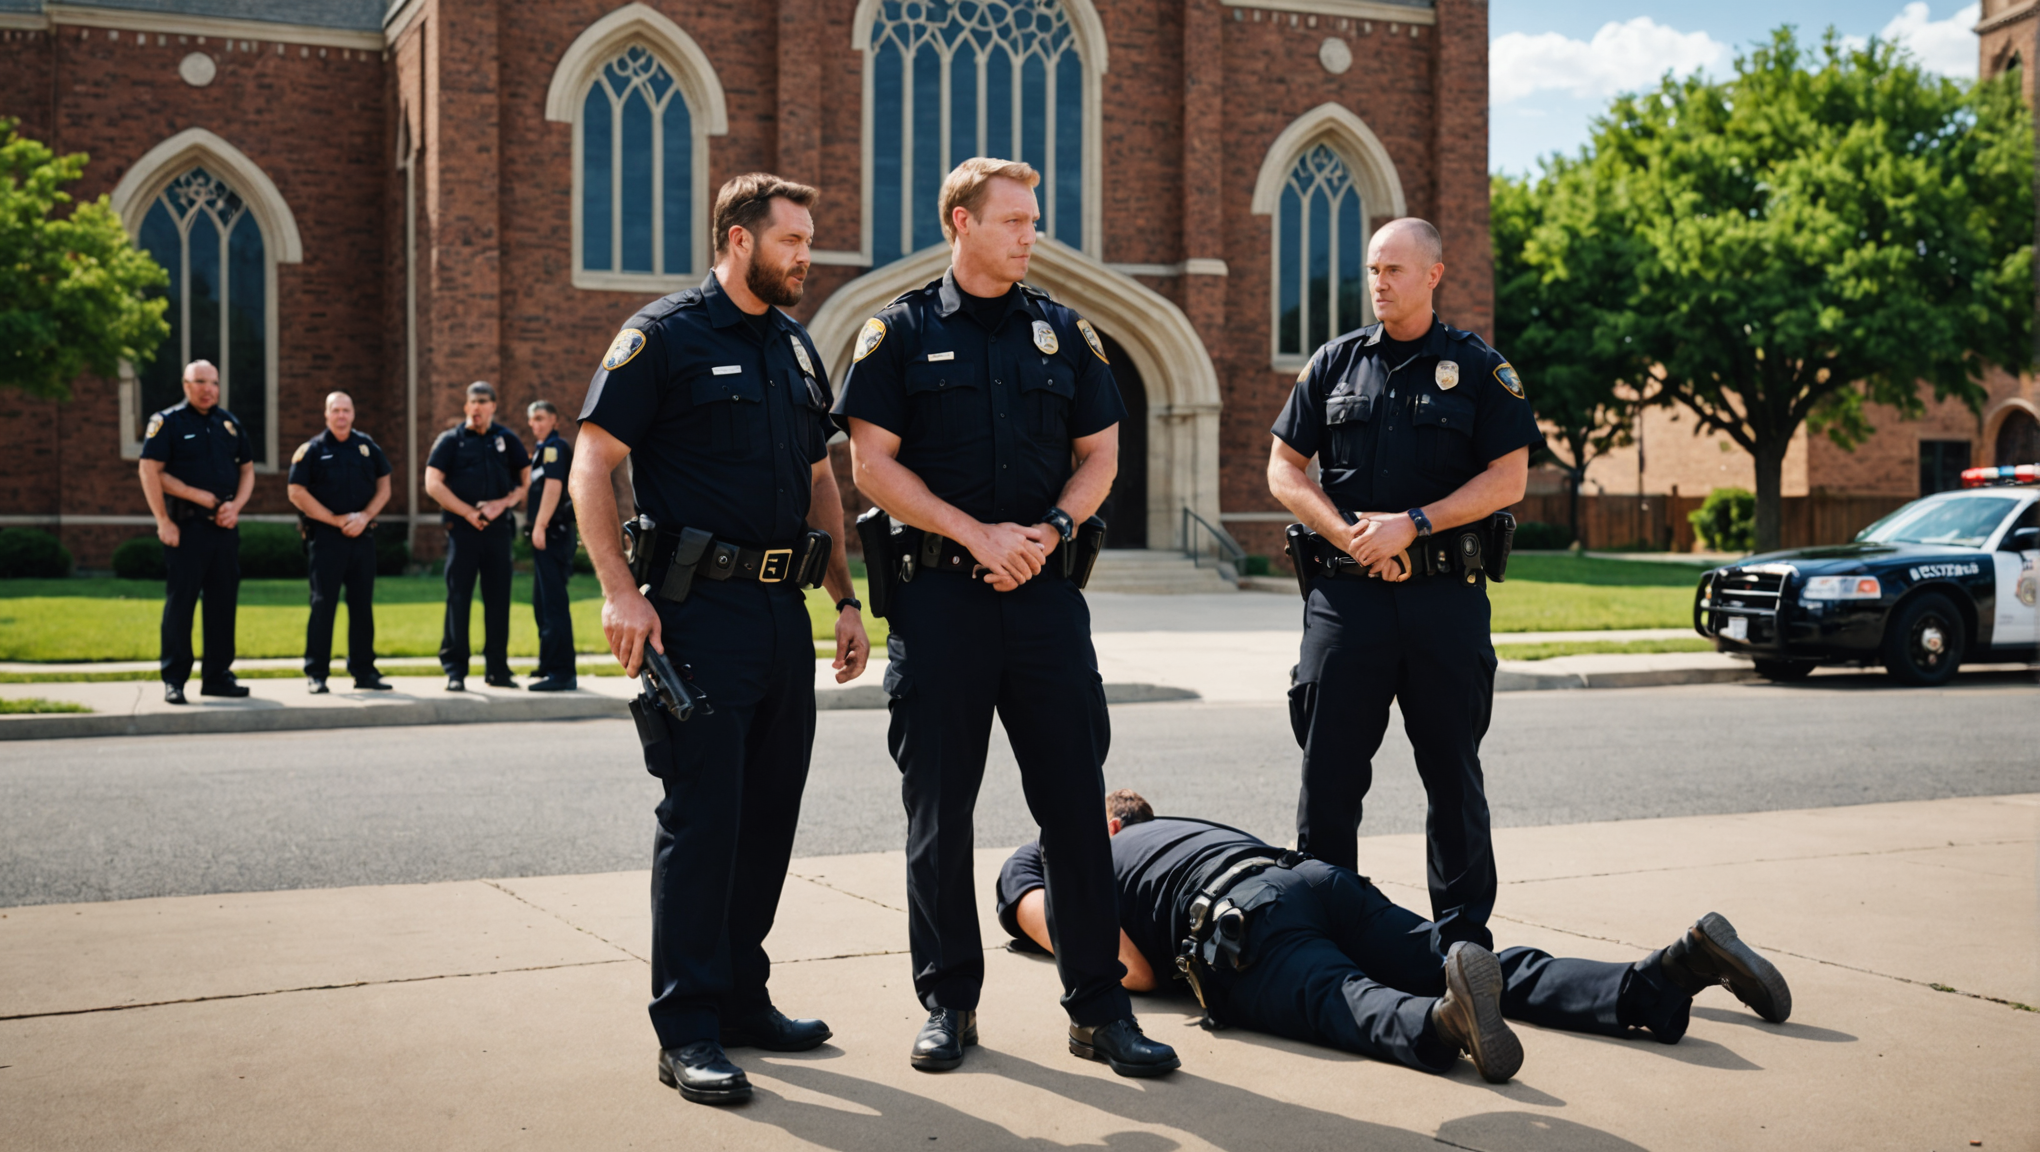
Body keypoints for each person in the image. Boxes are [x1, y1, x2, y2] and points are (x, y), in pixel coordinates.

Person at [836, 157, 1179, 1080]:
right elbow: (871, 464)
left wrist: (1054, 528)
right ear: (961, 221)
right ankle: (950, 1003)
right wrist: (975, 535)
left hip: (1045, 602)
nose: (1033, 234)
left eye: (1035, 219)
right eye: (1015, 219)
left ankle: (1098, 1012)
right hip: (941, 599)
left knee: (1074, 807)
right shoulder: (897, 331)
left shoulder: (1067, 334)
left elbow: (1102, 454)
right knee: (939, 813)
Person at [569, 172, 869, 1107]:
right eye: (793, 240)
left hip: (783, 616)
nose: (806, 255)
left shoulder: (793, 345)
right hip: (697, 613)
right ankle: (688, 1026)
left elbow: (822, 475)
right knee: (704, 823)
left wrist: (845, 598)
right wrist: (621, 593)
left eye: (809, 240)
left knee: (768, 817)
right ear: (739, 240)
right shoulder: (663, 337)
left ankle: (742, 996)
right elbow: (592, 463)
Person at [994, 790, 1794, 1083]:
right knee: (1465, 959)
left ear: (1099, 824)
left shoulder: (1063, 853)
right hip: (1309, 879)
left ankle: (1441, 1023)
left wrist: (1035, 899)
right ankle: (1666, 972)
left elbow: (1122, 970)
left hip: (1236, 924)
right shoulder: (1179, 827)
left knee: (1346, 999)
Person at [1266, 218, 1542, 954]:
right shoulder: (1333, 364)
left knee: (1452, 775)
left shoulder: (1479, 369)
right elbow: (1284, 470)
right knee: (1327, 778)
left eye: (1393, 269)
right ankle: (1322, 942)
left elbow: (1508, 478)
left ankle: (1462, 946)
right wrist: (1350, 535)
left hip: (1441, 601)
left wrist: (1413, 525)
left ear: (1434, 275)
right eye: (1372, 270)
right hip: (1345, 600)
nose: (1379, 283)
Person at [138, 359, 255, 705]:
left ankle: (217, 676)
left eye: (214, 383)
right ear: (186, 385)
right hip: (185, 529)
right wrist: (164, 520)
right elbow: (149, 471)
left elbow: (247, 470)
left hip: (224, 529)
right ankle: (174, 679)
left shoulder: (229, 424)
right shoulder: (167, 422)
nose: (208, 389)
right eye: (201, 382)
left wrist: (237, 506)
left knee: (222, 605)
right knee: (181, 605)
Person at [286, 392, 394, 694]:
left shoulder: (366, 446)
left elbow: (385, 483)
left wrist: (365, 516)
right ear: (327, 414)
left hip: (363, 537)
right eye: (336, 410)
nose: (341, 415)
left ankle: (364, 671)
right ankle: (317, 672)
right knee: (323, 605)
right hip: (327, 539)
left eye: (346, 410)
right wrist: (335, 520)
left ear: (353, 413)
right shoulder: (313, 450)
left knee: (362, 606)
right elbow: (296, 491)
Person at [423, 382, 528, 692]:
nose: (478, 407)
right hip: (462, 531)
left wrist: (503, 504)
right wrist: (467, 512)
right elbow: (432, 483)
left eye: (484, 401)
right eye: (473, 402)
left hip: (497, 532)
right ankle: (456, 670)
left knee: (498, 600)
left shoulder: (506, 439)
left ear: (493, 406)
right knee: (459, 598)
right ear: (466, 407)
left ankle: (498, 669)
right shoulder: (451, 441)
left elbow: (525, 479)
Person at [524, 400, 578, 692]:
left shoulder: (555, 448)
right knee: (541, 604)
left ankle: (562, 673)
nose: (535, 423)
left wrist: (540, 525)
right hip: (546, 534)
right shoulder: (542, 451)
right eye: (532, 419)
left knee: (554, 605)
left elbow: (554, 486)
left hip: (553, 534)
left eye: (541, 418)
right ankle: (548, 664)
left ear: (555, 420)